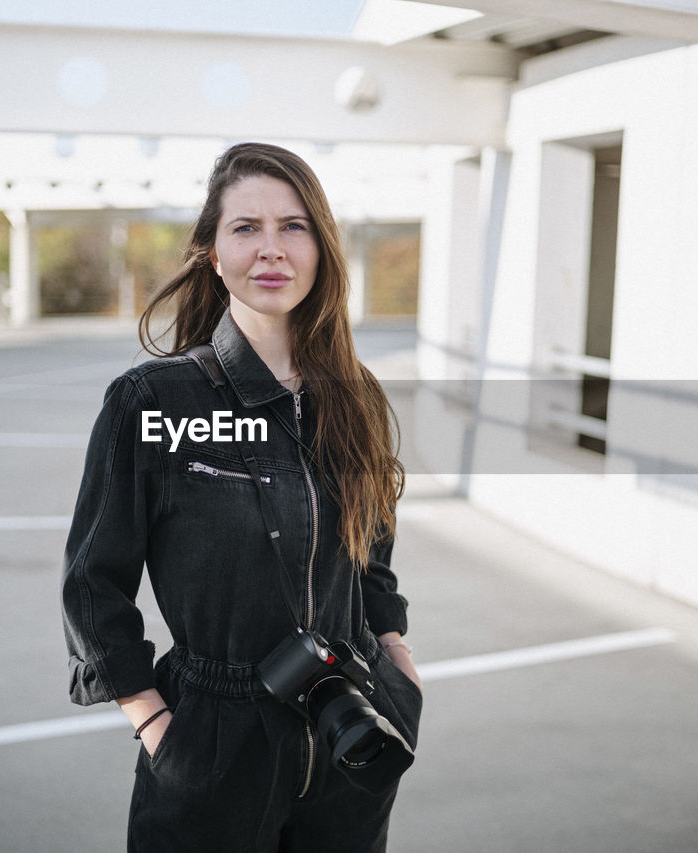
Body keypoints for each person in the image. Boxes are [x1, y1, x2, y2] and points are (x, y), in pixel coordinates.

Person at [62, 142, 422, 852]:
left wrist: (396, 660)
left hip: (352, 732)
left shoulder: (354, 399)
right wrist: (160, 728)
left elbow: (371, 554)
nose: (272, 249)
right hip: (213, 750)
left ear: (321, 248)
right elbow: (93, 582)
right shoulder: (153, 401)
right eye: (246, 227)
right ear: (210, 251)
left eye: (294, 226)